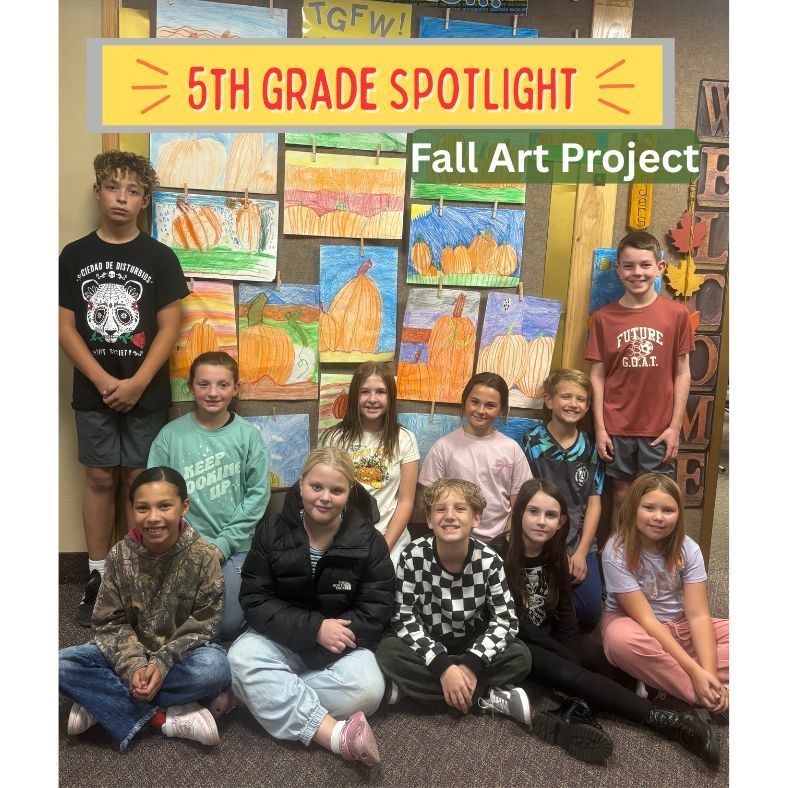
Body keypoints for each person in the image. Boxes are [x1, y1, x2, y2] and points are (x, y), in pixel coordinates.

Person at [491, 479, 719, 765]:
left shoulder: (555, 553)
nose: (541, 522)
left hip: (547, 637)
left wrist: (570, 655)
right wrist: (568, 664)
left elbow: (566, 615)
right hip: (516, 645)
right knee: (578, 676)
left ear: (561, 522)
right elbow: (513, 625)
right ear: (518, 512)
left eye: (550, 515)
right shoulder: (494, 554)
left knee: (613, 660)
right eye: (533, 512)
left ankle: (573, 712)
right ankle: (670, 722)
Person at [59, 150, 189, 626]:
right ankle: (97, 575)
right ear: (98, 192)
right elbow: (65, 327)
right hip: (93, 391)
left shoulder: (158, 257)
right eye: (113, 187)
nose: (122, 198)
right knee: (98, 478)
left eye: (133, 191)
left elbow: (169, 327)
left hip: (145, 393)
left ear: (145, 201)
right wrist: (102, 379)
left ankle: (138, 572)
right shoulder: (74, 255)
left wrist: (136, 382)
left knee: (140, 482)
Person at [228, 447, 395, 766]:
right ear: (301, 484)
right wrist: (314, 629)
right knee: (240, 657)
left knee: (370, 689)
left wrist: (327, 641)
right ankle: (335, 735)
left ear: (350, 492)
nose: (324, 497)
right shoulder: (271, 530)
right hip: (280, 639)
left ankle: (258, 696)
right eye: (316, 487)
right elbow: (255, 599)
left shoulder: (370, 541)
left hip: (341, 648)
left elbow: (376, 610)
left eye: (337, 490)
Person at [59, 467, 231, 750]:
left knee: (216, 669)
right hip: (126, 653)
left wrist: (161, 665)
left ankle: (101, 702)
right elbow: (109, 622)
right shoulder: (119, 555)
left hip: (181, 658)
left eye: (164, 506)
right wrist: (135, 665)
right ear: (133, 509)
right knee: (60, 665)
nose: (153, 517)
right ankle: (162, 718)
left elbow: (205, 623)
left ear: (184, 506)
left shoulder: (203, 556)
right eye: (143, 508)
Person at [376, 478, 532, 725]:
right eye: (440, 509)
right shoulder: (412, 556)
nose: (449, 516)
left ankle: (417, 690)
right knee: (387, 651)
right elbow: (403, 618)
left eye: (460, 509)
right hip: (429, 643)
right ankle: (484, 695)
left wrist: (471, 664)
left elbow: (506, 619)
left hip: (470, 643)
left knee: (521, 656)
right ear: (429, 520)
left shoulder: (490, 561)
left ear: (476, 519)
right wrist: (442, 666)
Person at [148, 351, 270, 642]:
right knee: (168, 625)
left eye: (222, 385)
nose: (213, 393)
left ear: (235, 388)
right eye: (204, 384)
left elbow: (257, 495)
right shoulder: (169, 436)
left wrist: (222, 545)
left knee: (225, 626)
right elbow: (156, 497)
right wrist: (187, 544)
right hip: (181, 547)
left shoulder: (248, 436)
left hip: (233, 549)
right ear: (190, 387)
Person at [601, 473, 729, 721]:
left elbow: (699, 616)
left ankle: (663, 679)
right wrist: (695, 671)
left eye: (668, 510)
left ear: (678, 514)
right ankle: (699, 696)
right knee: (619, 641)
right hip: (637, 627)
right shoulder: (616, 550)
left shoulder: (688, 548)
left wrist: (708, 673)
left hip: (681, 627)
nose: (658, 517)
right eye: (649, 508)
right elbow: (647, 620)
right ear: (633, 508)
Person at [586, 231, 693, 522]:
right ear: (618, 269)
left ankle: (648, 563)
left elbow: (683, 373)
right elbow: (597, 376)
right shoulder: (603, 318)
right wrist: (600, 428)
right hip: (616, 426)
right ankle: (620, 561)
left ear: (659, 268)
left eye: (645, 265)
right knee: (620, 497)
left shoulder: (676, 314)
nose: (637, 273)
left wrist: (675, 427)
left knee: (655, 500)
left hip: (659, 428)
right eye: (629, 266)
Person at [522, 369, 604, 629]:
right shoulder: (532, 441)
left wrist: (580, 553)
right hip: (541, 541)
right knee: (536, 612)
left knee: (590, 614)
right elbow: (525, 500)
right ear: (548, 401)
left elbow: (594, 502)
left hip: (579, 544)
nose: (573, 404)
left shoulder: (591, 447)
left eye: (581, 399)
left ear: (588, 406)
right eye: (566, 396)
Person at [321, 362, 419, 566]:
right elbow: (325, 494)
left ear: (390, 397)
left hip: (388, 538)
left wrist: (384, 547)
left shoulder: (405, 439)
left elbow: (406, 501)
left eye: (381, 392)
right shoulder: (335, 438)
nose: (372, 399)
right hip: (342, 537)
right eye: (365, 392)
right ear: (354, 396)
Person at [419, 373, 531, 542]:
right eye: (475, 402)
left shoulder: (511, 449)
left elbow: (519, 504)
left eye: (490, 405)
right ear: (465, 401)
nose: (480, 410)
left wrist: (506, 539)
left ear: (501, 410)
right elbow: (430, 503)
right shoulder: (444, 447)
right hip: (453, 540)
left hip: (499, 541)